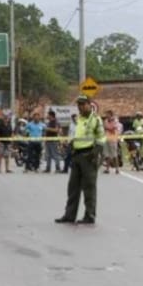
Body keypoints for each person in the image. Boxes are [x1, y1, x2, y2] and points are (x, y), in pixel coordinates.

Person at [55, 95, 105, 225]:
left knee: (89, 188)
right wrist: (71, 146)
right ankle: (69, 215)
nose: (80, 107)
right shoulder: (78, 119)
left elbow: (101, 138)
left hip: (89, 156)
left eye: (83, 104)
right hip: (77, 155)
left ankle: (89, 216)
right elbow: (77, 136)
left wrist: (95, 153)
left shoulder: (95, 119)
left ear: (89, 104)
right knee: (73, 188)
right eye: (78, 105)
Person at [103, 110, 122, 174]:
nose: (106, 116)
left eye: (107, 114)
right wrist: (107, 128)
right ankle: (107, 169)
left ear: (111, 115)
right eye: (106, 114)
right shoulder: (105, 121)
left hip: (113, 139)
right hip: (107, 139)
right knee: (107, 155)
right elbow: (104, 128)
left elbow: (113, 128)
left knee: (114, 155)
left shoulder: (115, 121)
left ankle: (117, 169)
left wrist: (108, 128)